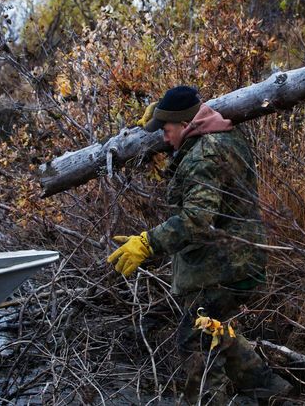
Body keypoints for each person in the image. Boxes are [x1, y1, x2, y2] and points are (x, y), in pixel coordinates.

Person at [108, 86, 292, 404]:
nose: (164, 140)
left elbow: (196, 219)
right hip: (238, 260)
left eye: (167, 130)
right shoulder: (220, 134)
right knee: (217, 331)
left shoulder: (205, 154)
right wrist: (164, 110)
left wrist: (148, 243)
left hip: (223, 267)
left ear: (184, 124)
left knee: (196, 344)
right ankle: (273, 391)